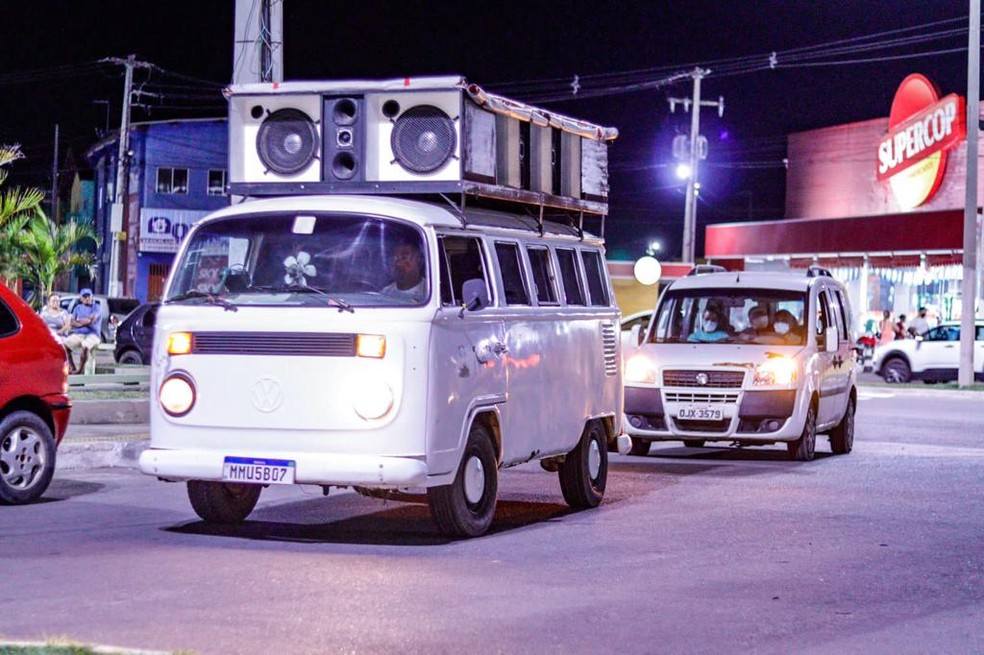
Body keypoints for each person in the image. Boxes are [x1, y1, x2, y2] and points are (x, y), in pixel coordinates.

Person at [63, 288, 103, 374]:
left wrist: (79, 320)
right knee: (64, 345)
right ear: (81, 298)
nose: (87, 298)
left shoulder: (96, 307)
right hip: (79, 334)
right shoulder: (77, 308)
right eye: (84, 297)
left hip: (93, 335)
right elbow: (72, 322)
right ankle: (72, 367)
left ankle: (80, 370)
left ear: (92, 297)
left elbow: (91, 320)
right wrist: (83, 322)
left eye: (89, 296)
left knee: (85, 346)